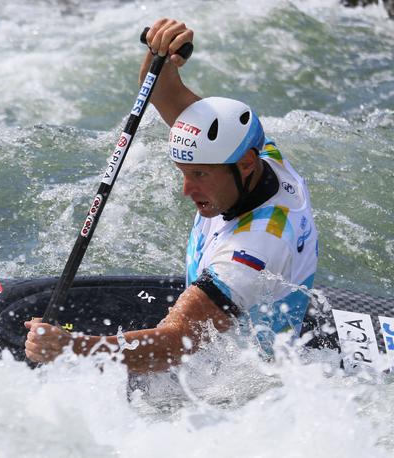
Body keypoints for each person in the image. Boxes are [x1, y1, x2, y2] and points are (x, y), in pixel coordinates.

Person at [24, 18, 319, 372]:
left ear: (244, 164)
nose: (186, 190)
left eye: (198, 175)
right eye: (183, 172)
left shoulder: (254, 251)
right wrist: (159, 55)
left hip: (232, 378)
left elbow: (175, 344)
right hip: (222, 326)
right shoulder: (260, 156)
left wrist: (73, 347)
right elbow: (162, 93)